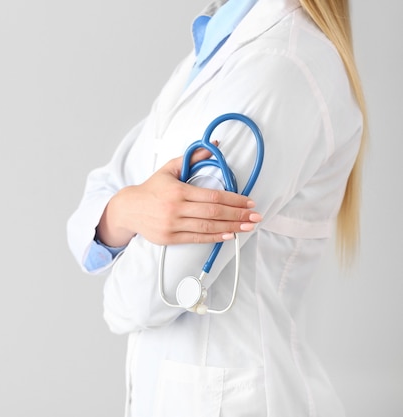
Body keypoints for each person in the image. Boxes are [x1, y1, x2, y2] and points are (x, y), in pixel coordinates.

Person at [67, 0, 367, 415]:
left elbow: (143, 298)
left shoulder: (282, 68)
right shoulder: (217, 42)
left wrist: (120, 265)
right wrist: (125, 209)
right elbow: (100, 193)